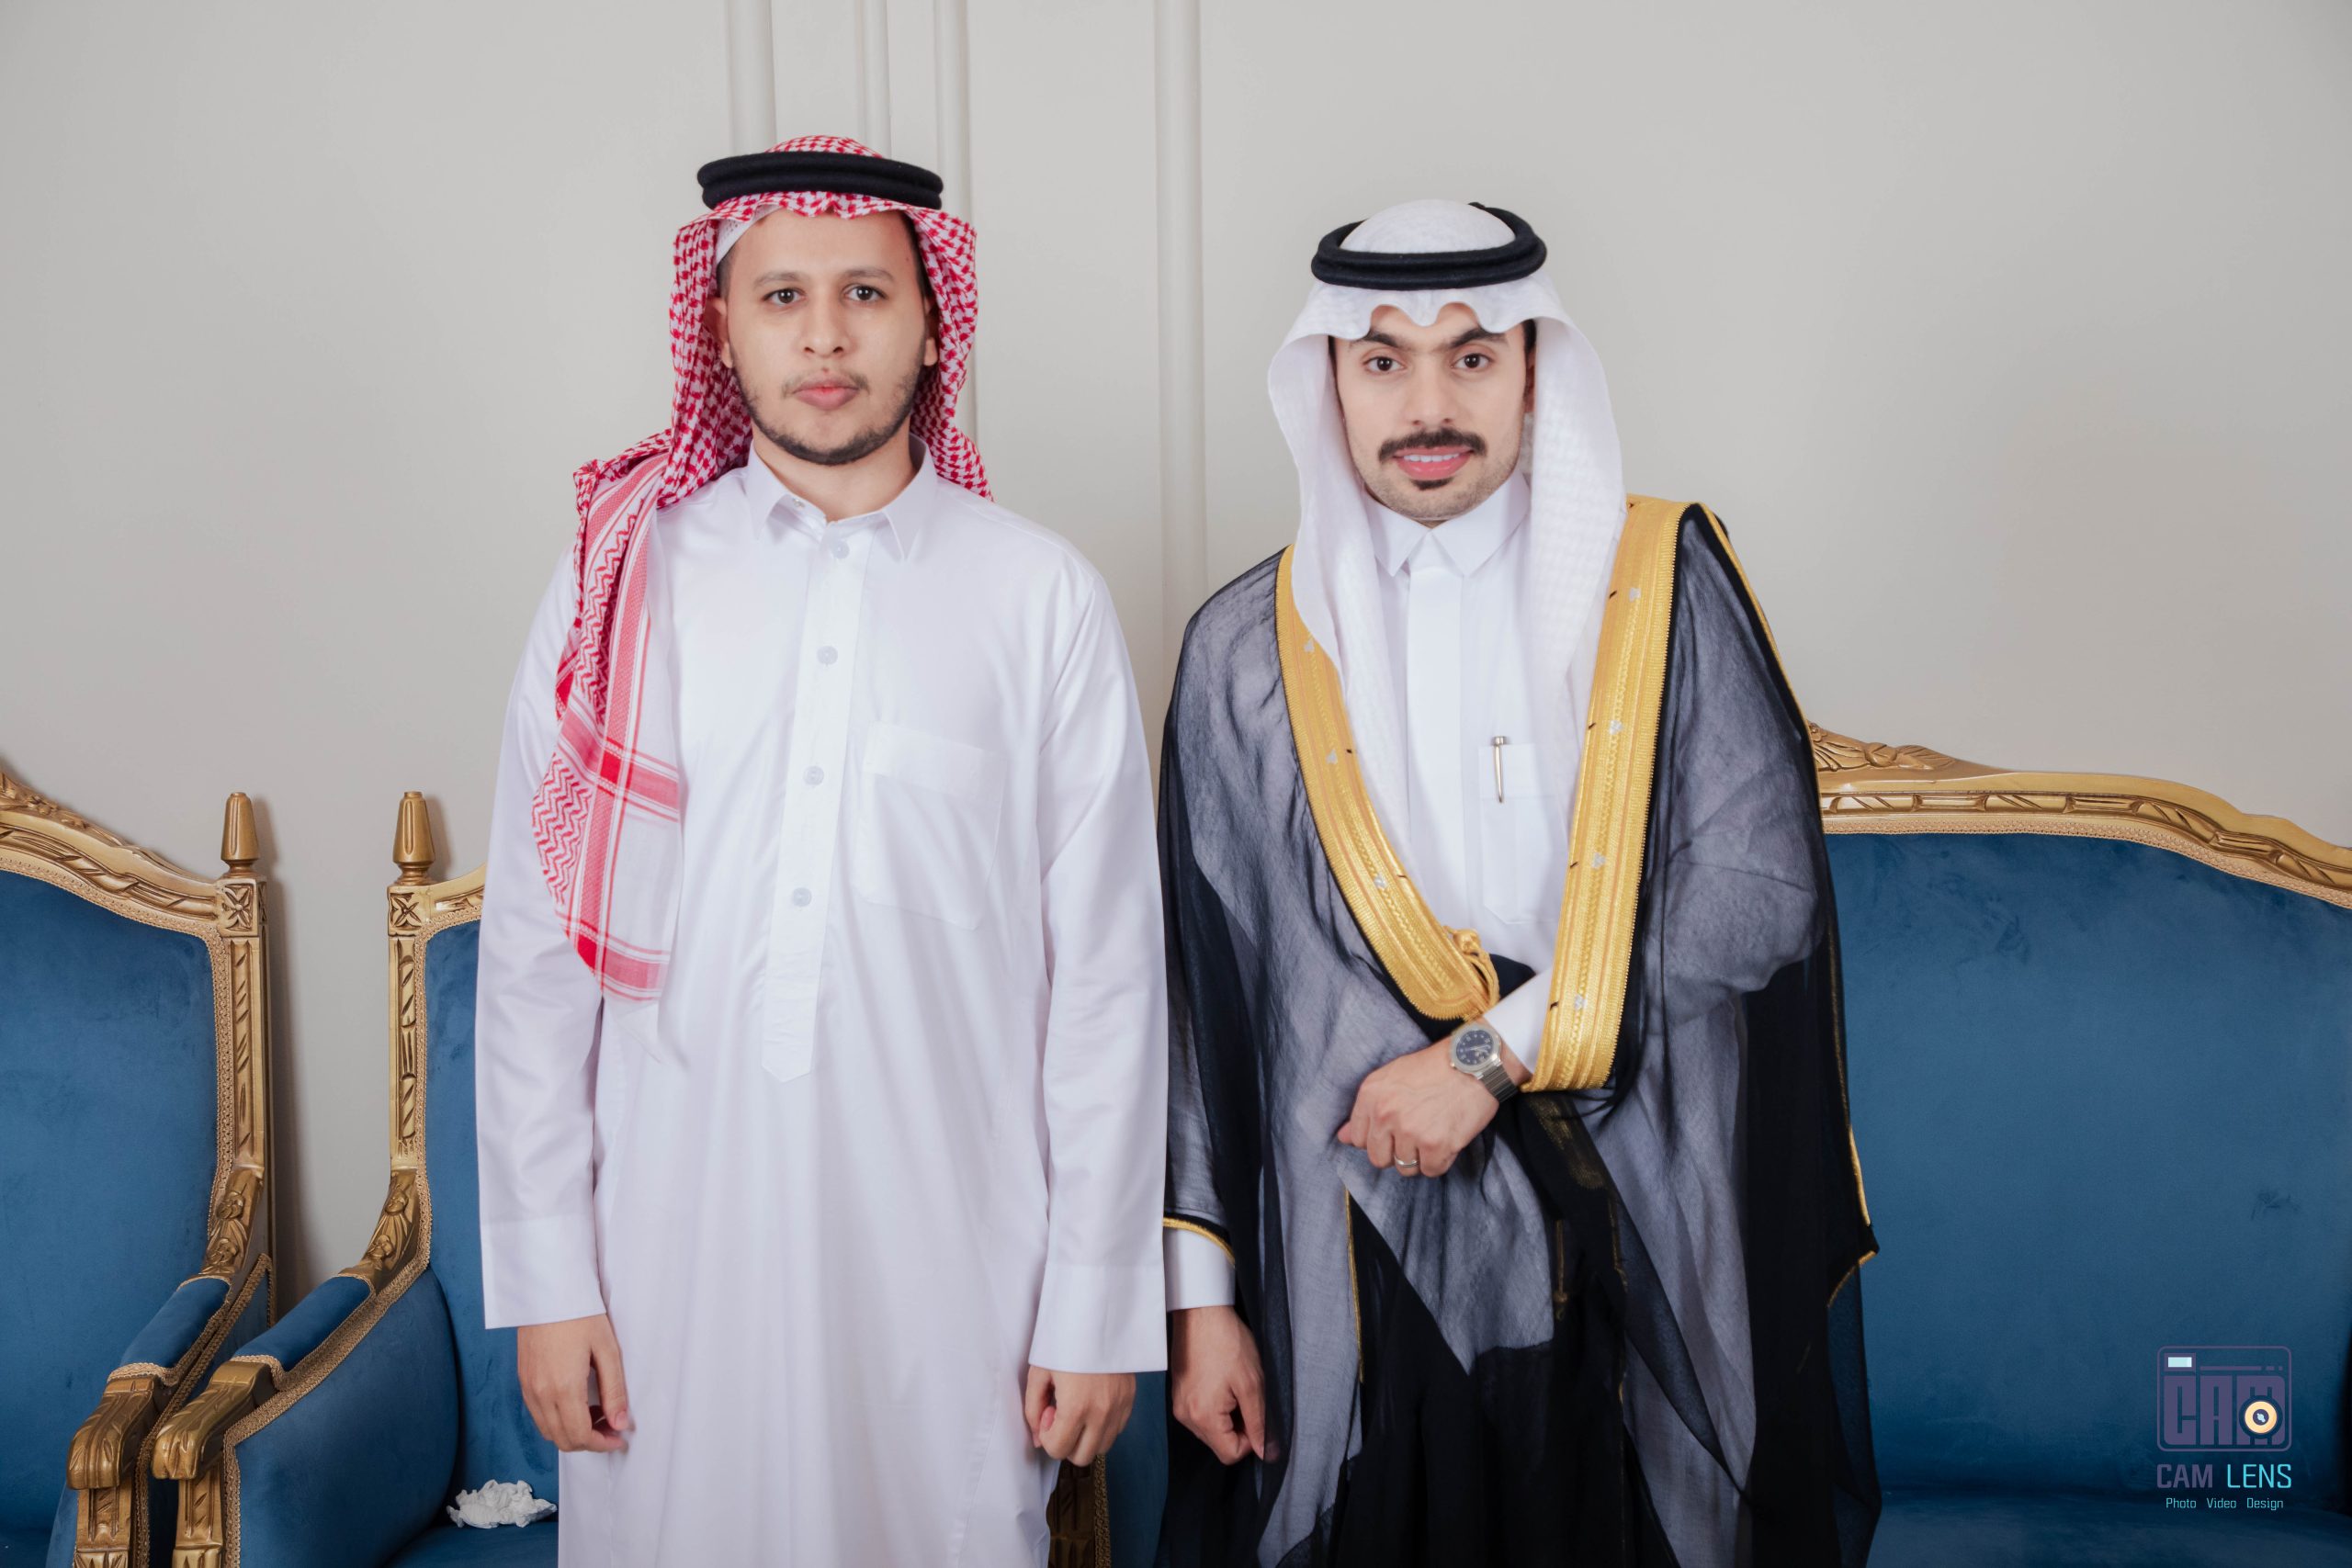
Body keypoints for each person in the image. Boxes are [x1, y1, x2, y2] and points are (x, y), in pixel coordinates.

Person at [473, 135, 1167, 1565]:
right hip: (665, 1270)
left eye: (866, 293)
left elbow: (1106, 986)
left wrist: (1095, 1303)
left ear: (933, 324)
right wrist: (548, 1280)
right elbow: (537, 960)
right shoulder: (622, 582)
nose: (826, 336)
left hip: (955, 1278)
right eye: (781, 297)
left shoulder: (1039, 598)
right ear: (721, 329)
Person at [1157, 198, 1879, 1566]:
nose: (1429, 405)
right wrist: (1202, 1305)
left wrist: (1487, 1058)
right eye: (1383, 361)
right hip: (1355, 1234)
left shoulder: (1660, 587)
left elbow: (1755, 889)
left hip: (1634, 1209)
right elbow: (1206, 1001)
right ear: (1328, 379)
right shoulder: (1246, 652)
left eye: (1473, 357)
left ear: (1536, 370)